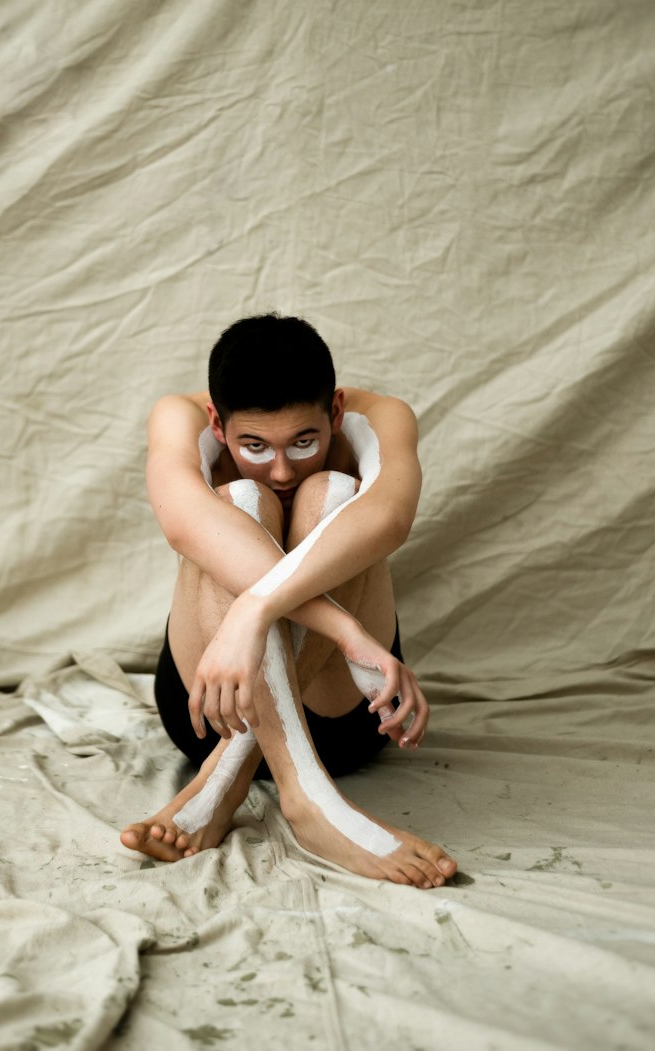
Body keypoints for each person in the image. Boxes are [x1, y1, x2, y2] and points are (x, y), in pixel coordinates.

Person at [120, 314, 456, 888]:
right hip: (210, 710)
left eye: (305, 442)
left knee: (332, 492)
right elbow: (184, 525)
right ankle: (309, 799)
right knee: (240, 500)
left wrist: (254, 612)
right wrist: (344, 629)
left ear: (335, 410)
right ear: (217, 425)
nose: (280, 468)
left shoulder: (380, 417)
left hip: (348, 712)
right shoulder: (178, 416)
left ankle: (224, 784)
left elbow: (390, 517)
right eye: (254, 445)